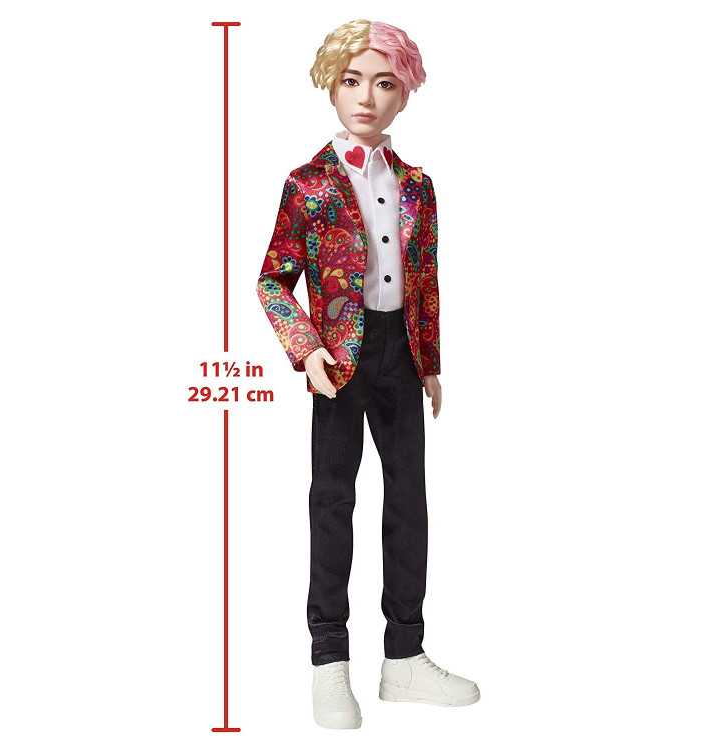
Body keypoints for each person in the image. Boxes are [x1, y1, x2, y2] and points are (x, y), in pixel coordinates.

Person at [256, 19, 480, 729]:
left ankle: (404, 656)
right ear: (331, 85)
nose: (366, 97)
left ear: (404, 95)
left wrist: (431, 363)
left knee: (408, 499)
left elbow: (426, 279)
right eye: (352, 80)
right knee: (333, 500)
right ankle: (329, 661)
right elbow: (271, 280)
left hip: (401, 355)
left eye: (384, 83)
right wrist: (305, 348)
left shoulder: (418, 186)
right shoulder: (307, 184)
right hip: (339, 359)